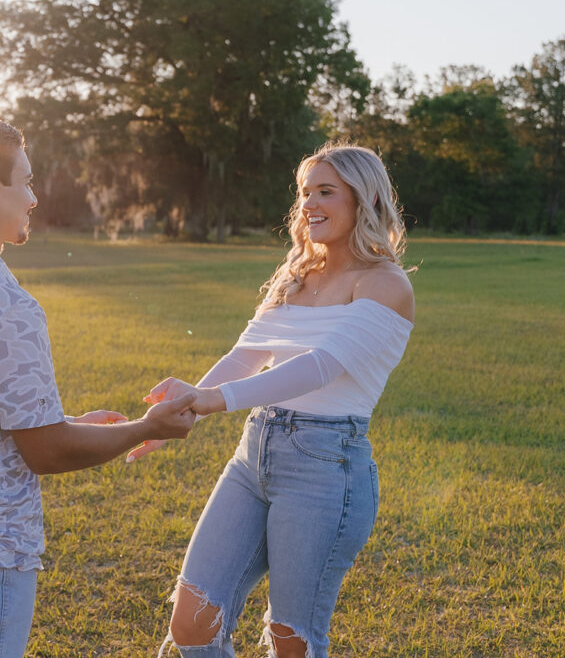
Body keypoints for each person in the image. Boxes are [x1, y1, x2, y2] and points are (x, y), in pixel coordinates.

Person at [0, 118, 197, 658]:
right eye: (26, 182)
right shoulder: (9, 305)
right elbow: (47, 451)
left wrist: (69, 421)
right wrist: (144, 428)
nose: (33, 198)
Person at [132, 142, 415, 658]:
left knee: (292, 640)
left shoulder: (385, 284)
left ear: (365, 199)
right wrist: (183, 410)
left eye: (325, 192)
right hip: (253, 456)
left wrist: (214, 400)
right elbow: (246, 355)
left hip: (325, 468)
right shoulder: (295, 274)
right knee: (193, 621)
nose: (309, 204)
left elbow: (319, 367)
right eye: (305, 192)